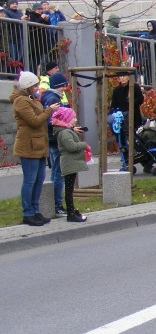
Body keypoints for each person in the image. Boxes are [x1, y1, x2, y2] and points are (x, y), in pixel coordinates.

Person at [11, 70, 59, 226]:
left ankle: (35, 210)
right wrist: (49, 110)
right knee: (30, 180)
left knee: (39, 180)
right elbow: (35, 121)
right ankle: (28, 213)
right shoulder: (21, 101)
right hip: (28, 145)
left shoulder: (32, 99)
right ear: (28, 87)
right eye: (35, 85)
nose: (38, 87)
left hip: (38, 144)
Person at [51, 106, 89, 222]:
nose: (75, 120)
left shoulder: (67, 131)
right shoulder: (65, 132)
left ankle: (72, 210)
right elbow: (71, 146)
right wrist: (84, 145)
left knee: (69, 188)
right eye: (73, 118)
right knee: (69, 189)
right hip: (69, 163)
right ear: (66, 119)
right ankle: (71, 213)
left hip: (71, 162)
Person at [41, 72, 71, 216]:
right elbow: (53, 121)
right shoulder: (53, 99)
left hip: (51, 140)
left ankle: (53, 203)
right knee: (58, 173)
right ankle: (57, 205)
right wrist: (68, 127)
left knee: (55, 172)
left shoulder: (47, 96)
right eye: (64, 85)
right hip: (57, 139)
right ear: (59, 85)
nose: (65, 88)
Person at [109, 72, 144, 172]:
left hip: (134, 117)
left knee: (136, 139)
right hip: (121, 119)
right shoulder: (116, 90)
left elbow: (141, 99)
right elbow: (114, 105)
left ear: (128, 77)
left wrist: (131, 101)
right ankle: (126, 161)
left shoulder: (134, 87)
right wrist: (111, 114)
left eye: (124, 76)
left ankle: (141, 157)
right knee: (122, 140)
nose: (123, 78)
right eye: (121, 76)